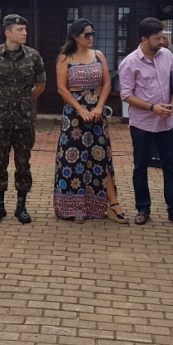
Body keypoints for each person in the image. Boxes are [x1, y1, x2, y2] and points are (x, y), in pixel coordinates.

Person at [54, 18, 127, 224]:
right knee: (73, 158)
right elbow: (61, 88)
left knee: (101, 157)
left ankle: (112, 204)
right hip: (73, 115)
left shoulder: (99, 55)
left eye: (92, 33)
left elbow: (106, 83)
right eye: (87, 34)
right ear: (76, 37)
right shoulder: (64, 59)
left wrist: (99, 106)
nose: (91, 37)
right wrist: (79, 109)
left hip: (97, 112)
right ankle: (75, 206)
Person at [119, 17, 173, 229]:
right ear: (144, 39)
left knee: (170, 167)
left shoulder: (167, 56)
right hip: (142, 124)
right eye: (157, 38)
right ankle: (143, 209)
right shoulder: (130, 63)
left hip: (166, 123)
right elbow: (126, 95)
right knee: (140, 167)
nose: (162, 41)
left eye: (162, 36)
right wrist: (152, 108)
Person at [0, 13, 46, 223]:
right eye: (20, 30)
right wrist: (2, 99)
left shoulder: (34, 56)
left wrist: (24, 100)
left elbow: (41, 85)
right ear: (8, 32)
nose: (25, 33)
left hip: (24, 120)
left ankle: (21, 207)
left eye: (25, 30)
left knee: (23, 163)